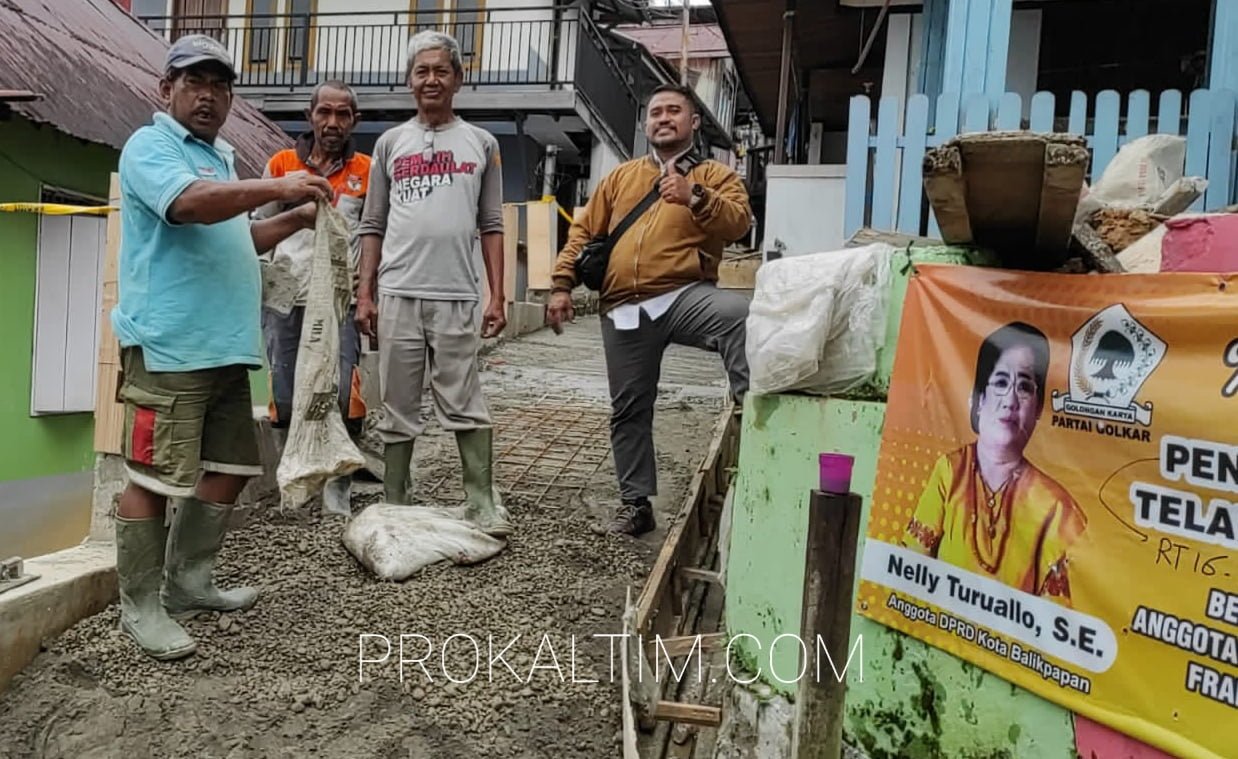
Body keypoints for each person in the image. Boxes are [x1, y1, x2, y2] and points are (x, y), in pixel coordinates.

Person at [111, 34, 335, 661]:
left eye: (220, 85)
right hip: (169, 348)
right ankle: (141, 604)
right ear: (167, 89)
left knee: (231, 469)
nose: (208, 95)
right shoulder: (151, 147)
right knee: (153, 477)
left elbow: (235, 237)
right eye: (194, 82)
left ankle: (188, 582)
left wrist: (292, 219)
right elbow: (186, 208)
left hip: (226, 349)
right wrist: (279, 189)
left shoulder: (219, 157)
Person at [546, 83, 753, 537]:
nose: (663, 118)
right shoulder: (621, 178)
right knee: (628, 409)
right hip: (623, 306)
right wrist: (561, 284)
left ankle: (752, 415)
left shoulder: (716, 176)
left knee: (737, 315)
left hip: (683, 295)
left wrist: (695, 196)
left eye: (674, 111)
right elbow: (583, 232)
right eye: (656, 112)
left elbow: (739, 223)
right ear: (646, 124)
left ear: (693, 122)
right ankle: (636, 504)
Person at [356, 31, 511, 537]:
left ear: (458, 79)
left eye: (440, 70)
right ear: (409, 81)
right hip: (398, 291)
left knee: (463, 398)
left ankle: (481, 500)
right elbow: (372, 223)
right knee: (398, 403)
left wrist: (497, 294)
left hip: (455, 293)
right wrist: (366, 292)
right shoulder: (389, 144)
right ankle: (396, 501)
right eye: (421, 71)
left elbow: (491, 223)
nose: (430, 80)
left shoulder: (482, 144)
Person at [901, 322, 1087, 606]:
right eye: (1000, 382)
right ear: (980, 398)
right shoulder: (950, 472)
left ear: (1037, 408)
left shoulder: (1058, 509)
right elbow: (907, 574)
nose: (1010, 400)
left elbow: (1057, 625)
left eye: (1025, 386)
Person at [255, 80, 371, 516]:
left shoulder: (367, 170)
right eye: (324, 112)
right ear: (310, 117)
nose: (333, 122)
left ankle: (337, 486)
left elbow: (372, 236)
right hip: (286, 294)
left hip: (338, 298)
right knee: (285, 391)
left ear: (354, 121)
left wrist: (366, 295)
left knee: (341, 390)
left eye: (343, 114)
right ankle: (296, 482)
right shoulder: (283, 164)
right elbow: (258, 227)